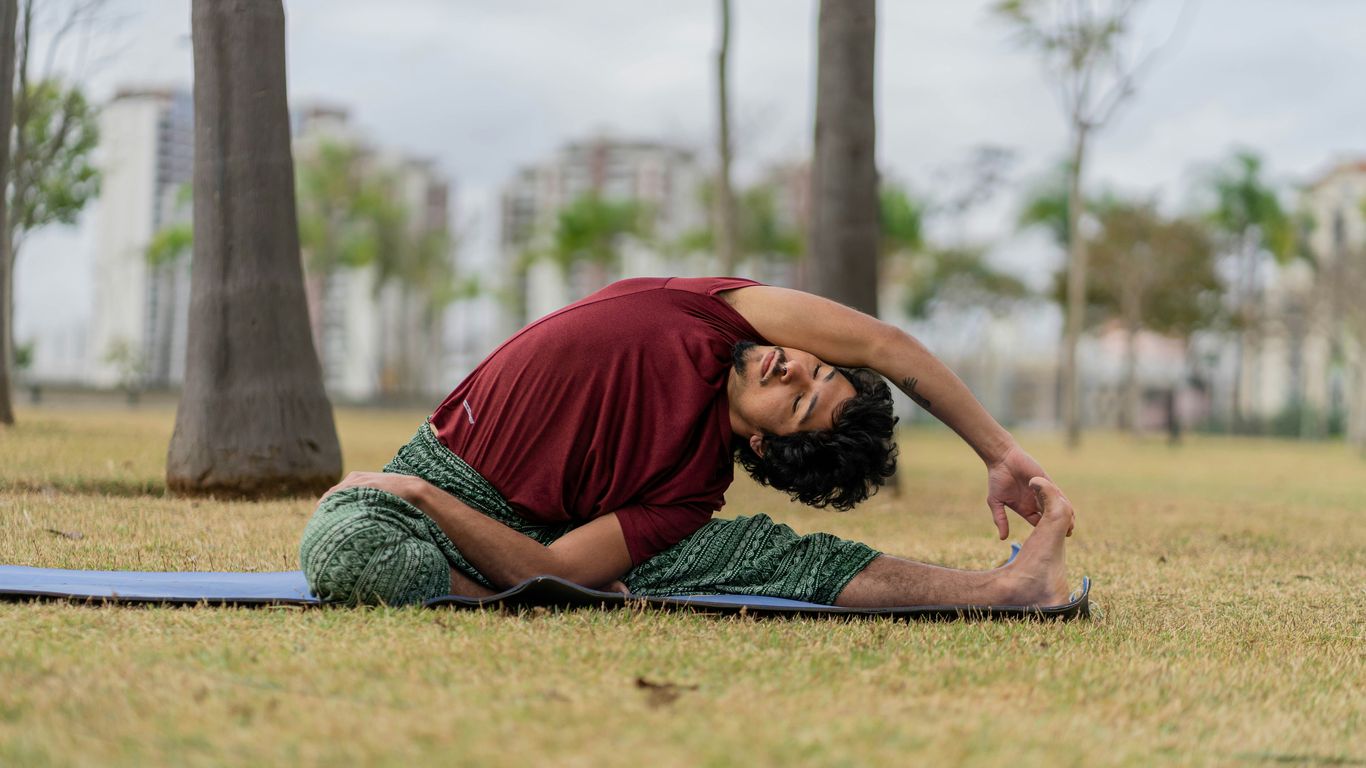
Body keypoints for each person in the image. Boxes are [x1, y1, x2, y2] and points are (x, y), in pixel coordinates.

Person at [300, 277, 1075, 607]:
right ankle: (491, 594)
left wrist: (418, 495)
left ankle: (1003, 591)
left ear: (770, 447)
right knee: (347, 551)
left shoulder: (688, 494)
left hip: (459, 510)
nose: (794, 367)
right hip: (442, 483)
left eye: (800, 402)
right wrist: (999, 452)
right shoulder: (718, 316)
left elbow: (551, 566)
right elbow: (884, 344)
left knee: (775, 559)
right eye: (816, 370)